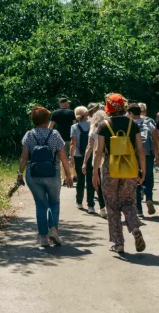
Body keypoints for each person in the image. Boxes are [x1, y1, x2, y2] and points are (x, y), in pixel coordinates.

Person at [91, 93, 147, 253]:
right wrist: (143, 171)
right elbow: (140, 150)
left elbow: (98, 152)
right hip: (129, 167)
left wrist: (95, 172)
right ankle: (135, 228)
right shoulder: (133, 125)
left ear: (108, 107)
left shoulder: (103, 126)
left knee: (112, 205)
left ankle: (118, 243)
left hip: (110, 168)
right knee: (128, 201)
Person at [17, 105, 73, 247]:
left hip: (33, 174)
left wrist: (19, 174)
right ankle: (53, 229)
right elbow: (63, 156)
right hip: (52, 174)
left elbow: (24, 157)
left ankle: (43, 238)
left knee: (41, 205)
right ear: (47, 119)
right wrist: (68, 174)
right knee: (54, 202)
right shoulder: (54, 134)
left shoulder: (29, 135)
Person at [129, 104, 159, 217]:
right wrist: (157, 156)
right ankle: (149, 198)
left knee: (136, 179)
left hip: (133, 155)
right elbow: (155, 139)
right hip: (148, 154)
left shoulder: (129, 124)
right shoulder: (149, 122)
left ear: (131, 113)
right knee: (148, 177)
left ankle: (139, 210)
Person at [83, 103, 108, 217]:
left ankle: (102, 209)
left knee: (98, 184)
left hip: (97, 161)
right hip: (109, 160)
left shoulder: (93, 130)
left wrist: (84, 162)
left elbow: (89, 147)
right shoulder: (110, 127)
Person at [69, 106, 94, 211]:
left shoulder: (74, 127)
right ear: (86, 114)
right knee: (90, 179)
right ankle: (91, 205)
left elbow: (73, 143)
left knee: (80, 179)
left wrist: (71, 157)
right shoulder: (92, 125)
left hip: (78, 155)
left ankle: (79, 201)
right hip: (91, 154)